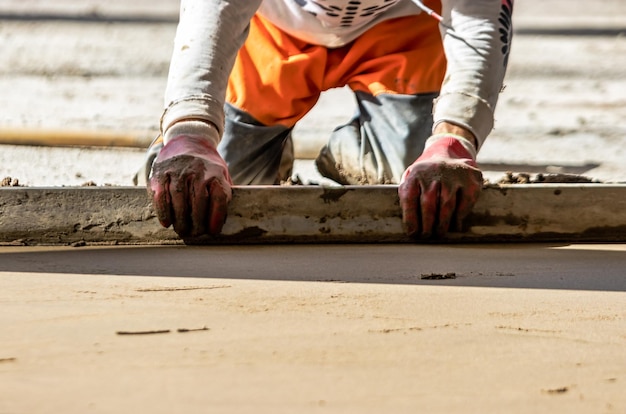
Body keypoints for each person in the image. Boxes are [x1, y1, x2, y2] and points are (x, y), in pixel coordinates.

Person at [145, 0, 514, 239]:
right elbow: (210, 12)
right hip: (272, 29)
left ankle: (360, 151)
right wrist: (189, 132)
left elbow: (478, 19)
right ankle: (263, 144)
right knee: (202, 194)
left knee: (422, 188)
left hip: (402, 29)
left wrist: (453, 138)